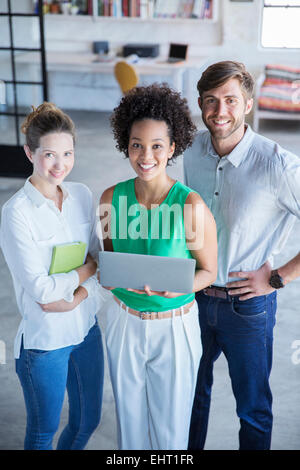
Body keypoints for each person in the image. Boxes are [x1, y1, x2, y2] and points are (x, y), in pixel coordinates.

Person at [184, 60, 300, 450]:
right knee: (190, 398)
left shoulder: (278, 164)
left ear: (248, 104)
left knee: (252, 408)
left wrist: (279, 275)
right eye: (211, 101)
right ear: (200, 103)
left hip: (247, 306)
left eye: (231, 100)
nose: (220, 112)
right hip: (194, 296)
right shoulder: (192, 151)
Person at [99, 83, 218, 450]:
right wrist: (114, 281)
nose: (145, 155)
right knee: (130, 432)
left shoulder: (191, 205)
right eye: (136, 144)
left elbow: (208, 272)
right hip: (123, 322)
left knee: (170, 435)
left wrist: (181, 287)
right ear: (126, 144)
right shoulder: (110, 198)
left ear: (172, 148)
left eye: (156, 146)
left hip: (174, 328)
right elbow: (108, 263)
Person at [0, 103, 105, 450]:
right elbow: (42, 291)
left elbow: (101, 265)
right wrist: (86, 270)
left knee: (87, 421)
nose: (60, 164)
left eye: (67, 153)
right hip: (44, 345)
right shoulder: (16, 213)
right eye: (49, 154)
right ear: (30, 152)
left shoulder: (82, 196)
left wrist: (79, 295)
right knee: (43, 432)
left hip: (87, 332)